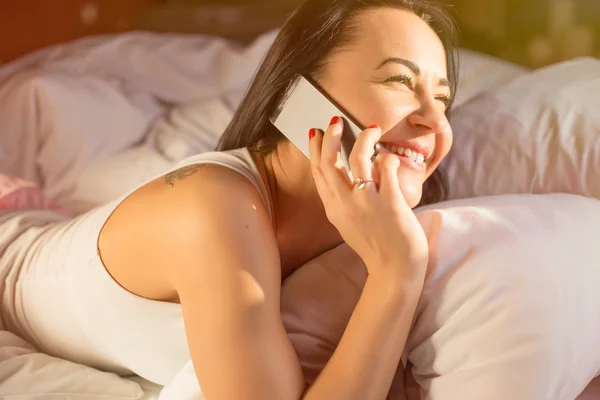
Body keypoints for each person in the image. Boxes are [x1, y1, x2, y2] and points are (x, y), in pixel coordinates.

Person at [0, 0, 458, 399]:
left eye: (443, 100)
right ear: (299, 96)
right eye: (400, 81)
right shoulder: (217, 207)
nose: (435, 122)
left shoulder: (367, 222)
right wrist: (397, 273)